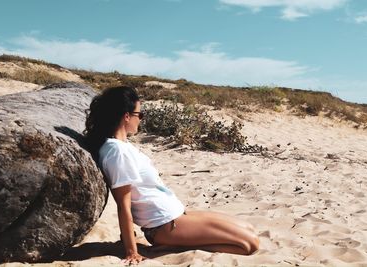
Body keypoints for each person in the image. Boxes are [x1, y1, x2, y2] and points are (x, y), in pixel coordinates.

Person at [84, 86, 259, 265]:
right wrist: (131, 251)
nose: (141, 120)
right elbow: (124, 206)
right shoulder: (117, 152)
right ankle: (177, 245)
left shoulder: (123, 145)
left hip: (175, 214)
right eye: (140, 115)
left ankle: (184, 242)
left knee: (249, 229)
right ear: (126, 116)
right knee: (249, 245)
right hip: (164, 225)